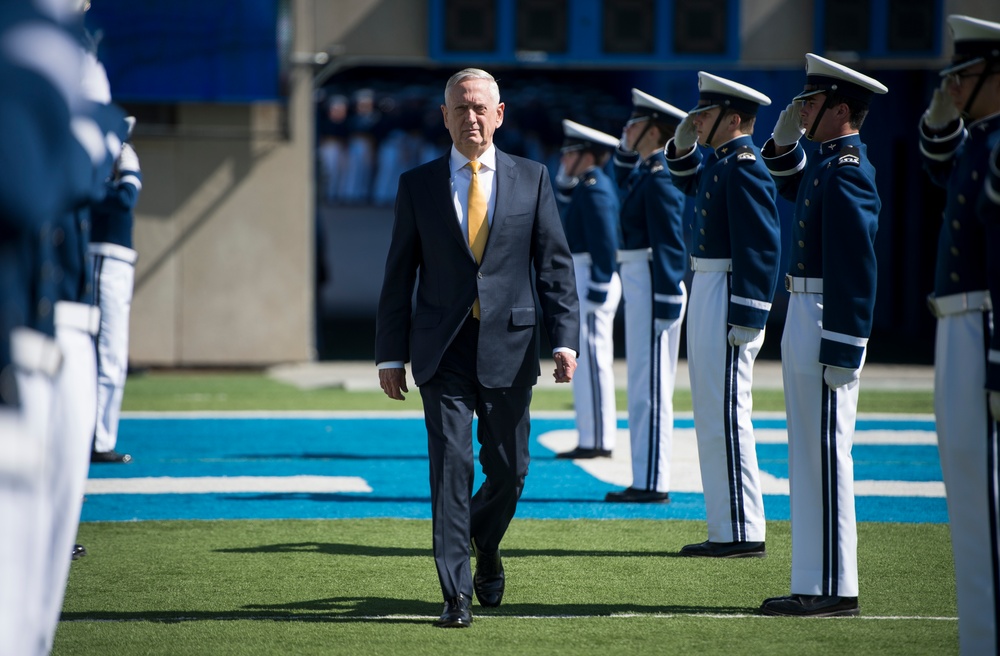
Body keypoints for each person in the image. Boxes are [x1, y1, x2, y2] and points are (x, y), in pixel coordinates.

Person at [375, 68, 580, 629]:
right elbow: (398, 275)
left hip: (511, 347)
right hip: (441, 350)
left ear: (499, 114)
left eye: (480, 108)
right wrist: (390, 354)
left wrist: (565, 339)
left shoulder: (532, 178)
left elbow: (555, 268)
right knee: (451, 468)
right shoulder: (416, 185)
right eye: (460, 108)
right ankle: (455, 595)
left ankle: (484, 545)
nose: (471, 117)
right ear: (444, 116)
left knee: (510, 471)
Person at [757, 53, 887, 618]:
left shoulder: (849, 169)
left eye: (810, 103)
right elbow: (786, 180)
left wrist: (844, 345)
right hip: (806, 310)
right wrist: (784, 139)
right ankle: (814, 579)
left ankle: (837, 586)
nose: (801, 109)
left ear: (840, 108)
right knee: (808, 454)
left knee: (828, 454)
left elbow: (857, 268)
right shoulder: (828, 162)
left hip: (826, 316)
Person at [665, 73, 780, 557]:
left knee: (729, 412)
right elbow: (689, 181)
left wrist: (749, 315)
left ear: (734, 119)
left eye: (707, 114)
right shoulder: (722, 163)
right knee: (712, 412)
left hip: (730, 288)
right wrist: (682, 143)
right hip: (709, 282)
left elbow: (761, 246)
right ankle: (726, 527)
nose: (697, 119)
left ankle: (743, 530)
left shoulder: (747, 165)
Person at [919, 15, 1000, 653]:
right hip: (961, 320)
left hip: (984, 324)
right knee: (969, 499)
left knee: (988, 507)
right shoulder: (983, 138)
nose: (956, 84)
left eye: (967, 74)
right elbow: (940, 165)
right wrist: (946, 111)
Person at [606, 88, 688, 503]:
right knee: (641, 384)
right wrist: (625, 148)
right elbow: (615, 177)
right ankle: (644, 476)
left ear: (654, 132)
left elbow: (671, 242)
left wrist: (668, 298)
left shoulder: (661, 176)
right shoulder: (645, 170)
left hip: (655, 279)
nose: (626, 129)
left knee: (652, 386)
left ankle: (652, 481)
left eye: (634, 125)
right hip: (640, 276)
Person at [552, 119, 621, 460]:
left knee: (593, 362)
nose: (563, 160)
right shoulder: (586, 186)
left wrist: (599, 285)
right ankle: (590, 436)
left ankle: (599, 440)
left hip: (592, 276)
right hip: (583, 273)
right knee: (587, 361)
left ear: (586, 156)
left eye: (570, 154)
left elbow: (605, 243)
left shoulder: (595, 189)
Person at [90, 120, 142, 464]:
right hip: (102, 259)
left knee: (113, 355)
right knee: (103, 353)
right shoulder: (91, 168)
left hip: (117, 261)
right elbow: (123, 199)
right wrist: (128, 174)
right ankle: (95, 439)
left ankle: (100, 437)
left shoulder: (107, 169)